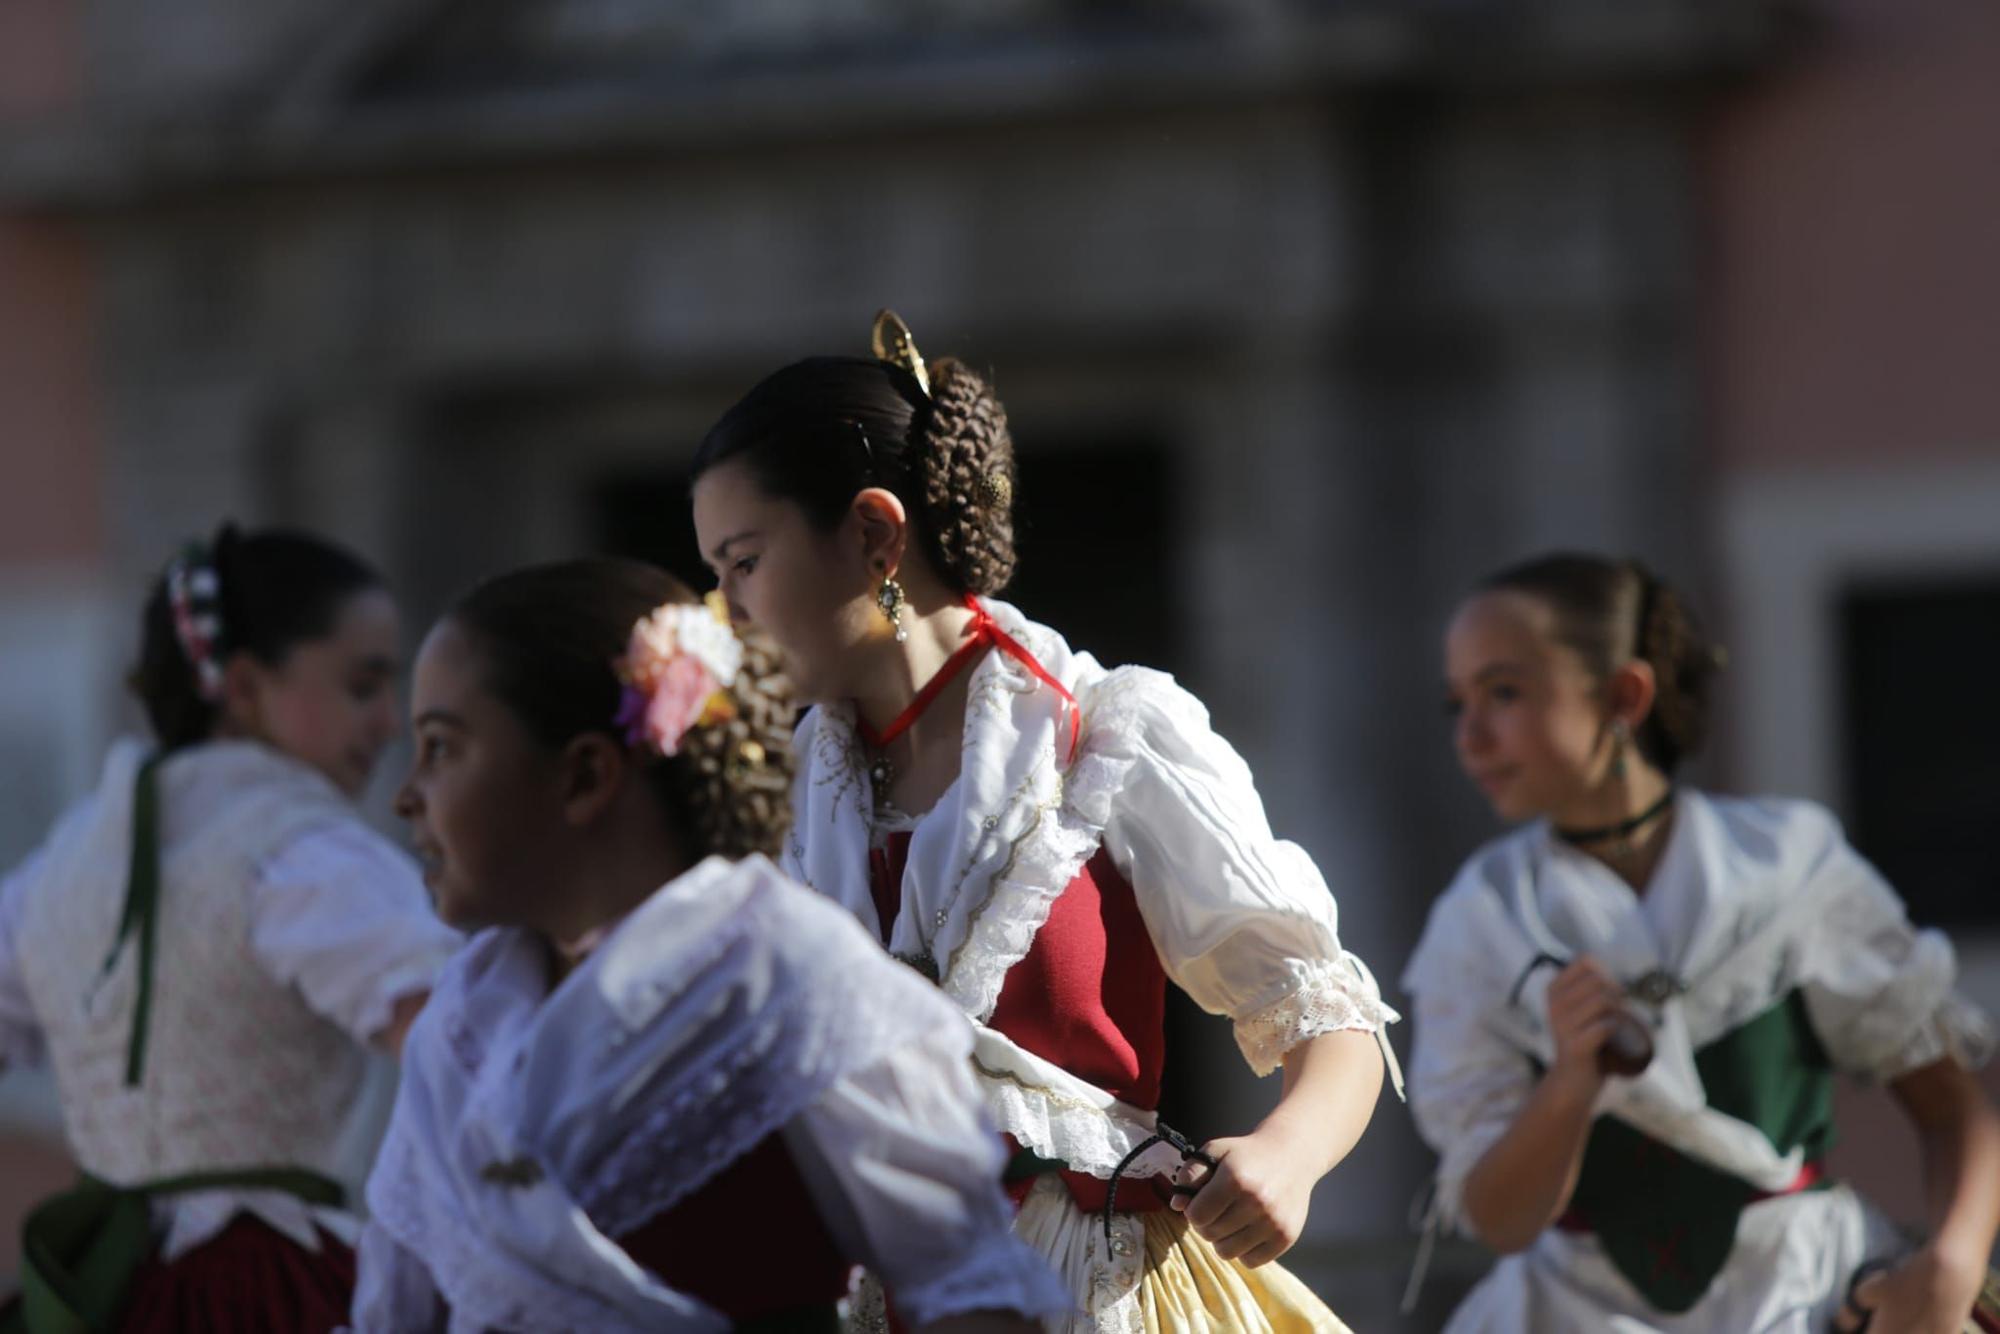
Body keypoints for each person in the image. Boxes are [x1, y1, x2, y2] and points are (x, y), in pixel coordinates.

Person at [688, 311, 1396, 1330]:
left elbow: (1321, 1005)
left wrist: (1286, 1152)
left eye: (743, 561)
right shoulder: (778, 796)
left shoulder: (1106, 732)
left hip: (1086, 1293)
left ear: (875, 534)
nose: (727, 608)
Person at [352, 558, 1069, 1333]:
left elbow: (974, 1298)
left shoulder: (794, 981)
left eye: (441, 749)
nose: (405, 795)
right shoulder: (464, 1021)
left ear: (585, 775)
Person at [1407, 551, 2000, 1332]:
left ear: (1624, 695)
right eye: (1458, 705)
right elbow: (1501, 1221)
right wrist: (1571, 1082)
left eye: (1505, 692)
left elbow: (1950, 1105)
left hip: (1798, 1294)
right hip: (1572, 1313)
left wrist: (1949, 1271)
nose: (1472, 738)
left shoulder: (1789, 866)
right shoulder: (1480, 918)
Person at [0, 524, 461, 1333]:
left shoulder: (65, 863)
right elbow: (459, 1045)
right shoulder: (303, 853)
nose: (390, 722)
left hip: (103, 1292)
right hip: (270, 1291)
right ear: (245, 686)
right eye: (363, 686)